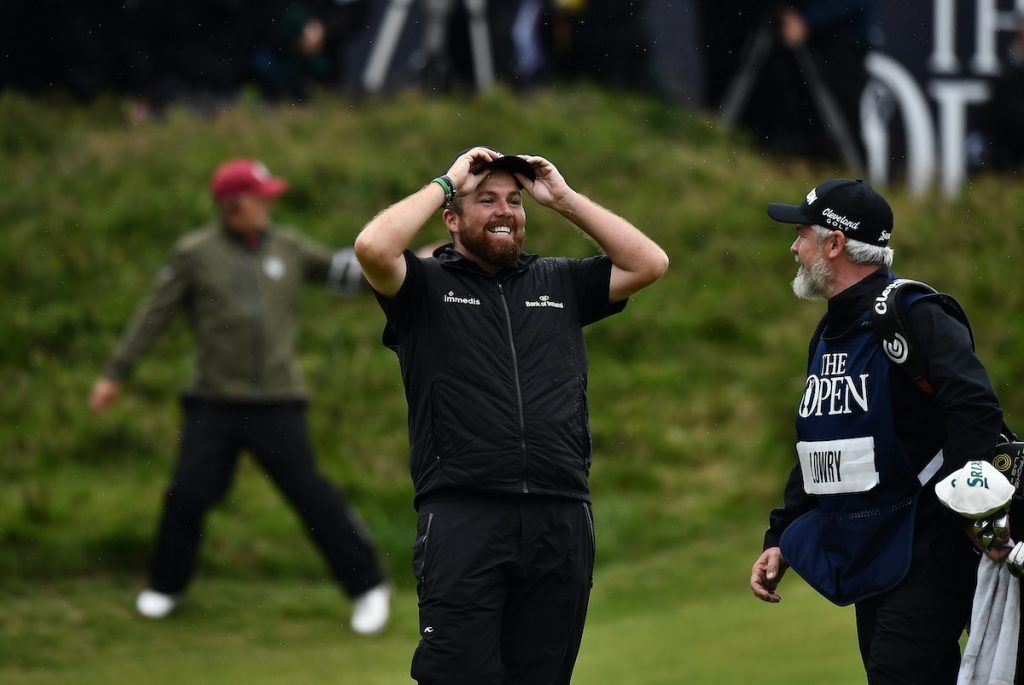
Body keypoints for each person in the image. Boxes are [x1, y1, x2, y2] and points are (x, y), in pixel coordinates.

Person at [353, 146, 669, 683]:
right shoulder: (425, 286)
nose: (505, 211)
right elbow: (373, 246)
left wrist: (565, 200)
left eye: (515, 201)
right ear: (452, 219)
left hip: (559, 514)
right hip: (463, 516)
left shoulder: (558, 282)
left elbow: (648, 263)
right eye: (487, 200)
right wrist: (449, 181)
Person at [88, 158, 390, 634]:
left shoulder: (287, 245)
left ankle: (368, 588)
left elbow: (343, 273)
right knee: (187, 495)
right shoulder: (194, 253)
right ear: (232, 205)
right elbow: (154, 314)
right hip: (213, 402)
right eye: (259, 197)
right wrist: (115, 373)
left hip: (278, 401)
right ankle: (167, 588)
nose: (268, 205)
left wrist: (405, 259)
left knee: (312, 497)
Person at [748, 178, 1005, 683]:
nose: (794, 247)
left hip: (926, 552)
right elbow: (820, 442)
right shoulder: (828, 331)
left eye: (802, 233)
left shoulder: (914, 312)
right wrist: (783, 535)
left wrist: (966, 512)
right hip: (872, 551)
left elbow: (975, 409)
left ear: (835, 244)